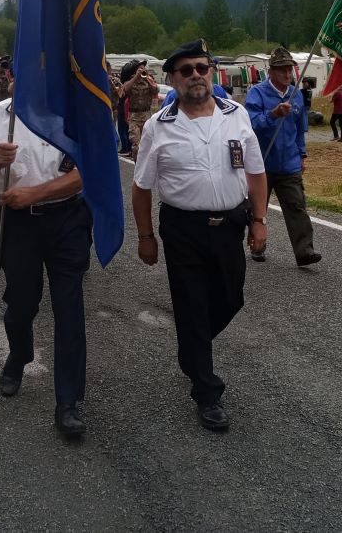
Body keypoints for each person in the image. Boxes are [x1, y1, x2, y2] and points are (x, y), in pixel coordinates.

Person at [132, 39, 268, 431]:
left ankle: (193, 349)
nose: (196, 75)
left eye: (202, 68)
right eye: (186, 70)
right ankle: (207, 392)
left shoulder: (236, 115)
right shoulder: (158, 127)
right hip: (183, 229)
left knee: (231, 298)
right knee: (191, 305)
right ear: (173, 79)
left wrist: (259, 219)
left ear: (211, 73)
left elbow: (256, 172)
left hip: (230, 225)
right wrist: (145, 237)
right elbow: (141, 187)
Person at [0, 76, 93, 435]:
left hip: (68, 219)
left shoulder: (74, 114)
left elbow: (89, 172)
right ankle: (19, 353)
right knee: (21, 304)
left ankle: (68, 401)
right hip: (19, 224)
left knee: (69, 308)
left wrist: (36, 194)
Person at [245, 46, 321, 267]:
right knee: (257, 208)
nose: (287, 74)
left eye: (290, 70)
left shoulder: (296, 94)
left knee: (297, 206)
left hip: (289, 163)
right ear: (270, 72)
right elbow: (250, 124)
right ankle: (257, 246)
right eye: (282, 70)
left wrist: (302, 155)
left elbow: (300, 129)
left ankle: (304, 251)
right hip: (262, 163)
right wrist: (273, 115)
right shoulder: (257, 93)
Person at [124, 60, 158, 161]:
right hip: (134, 116)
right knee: (136, 146)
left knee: (148, 145)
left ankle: (146, 166)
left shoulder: (149, 79)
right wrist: (136, 77)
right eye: (140, 68)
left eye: (143, 68)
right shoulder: (131, 80)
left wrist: (147, 79)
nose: (142, 69)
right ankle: (137, 165)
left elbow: (156, 90)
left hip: (146, 115)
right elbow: (124, 89)